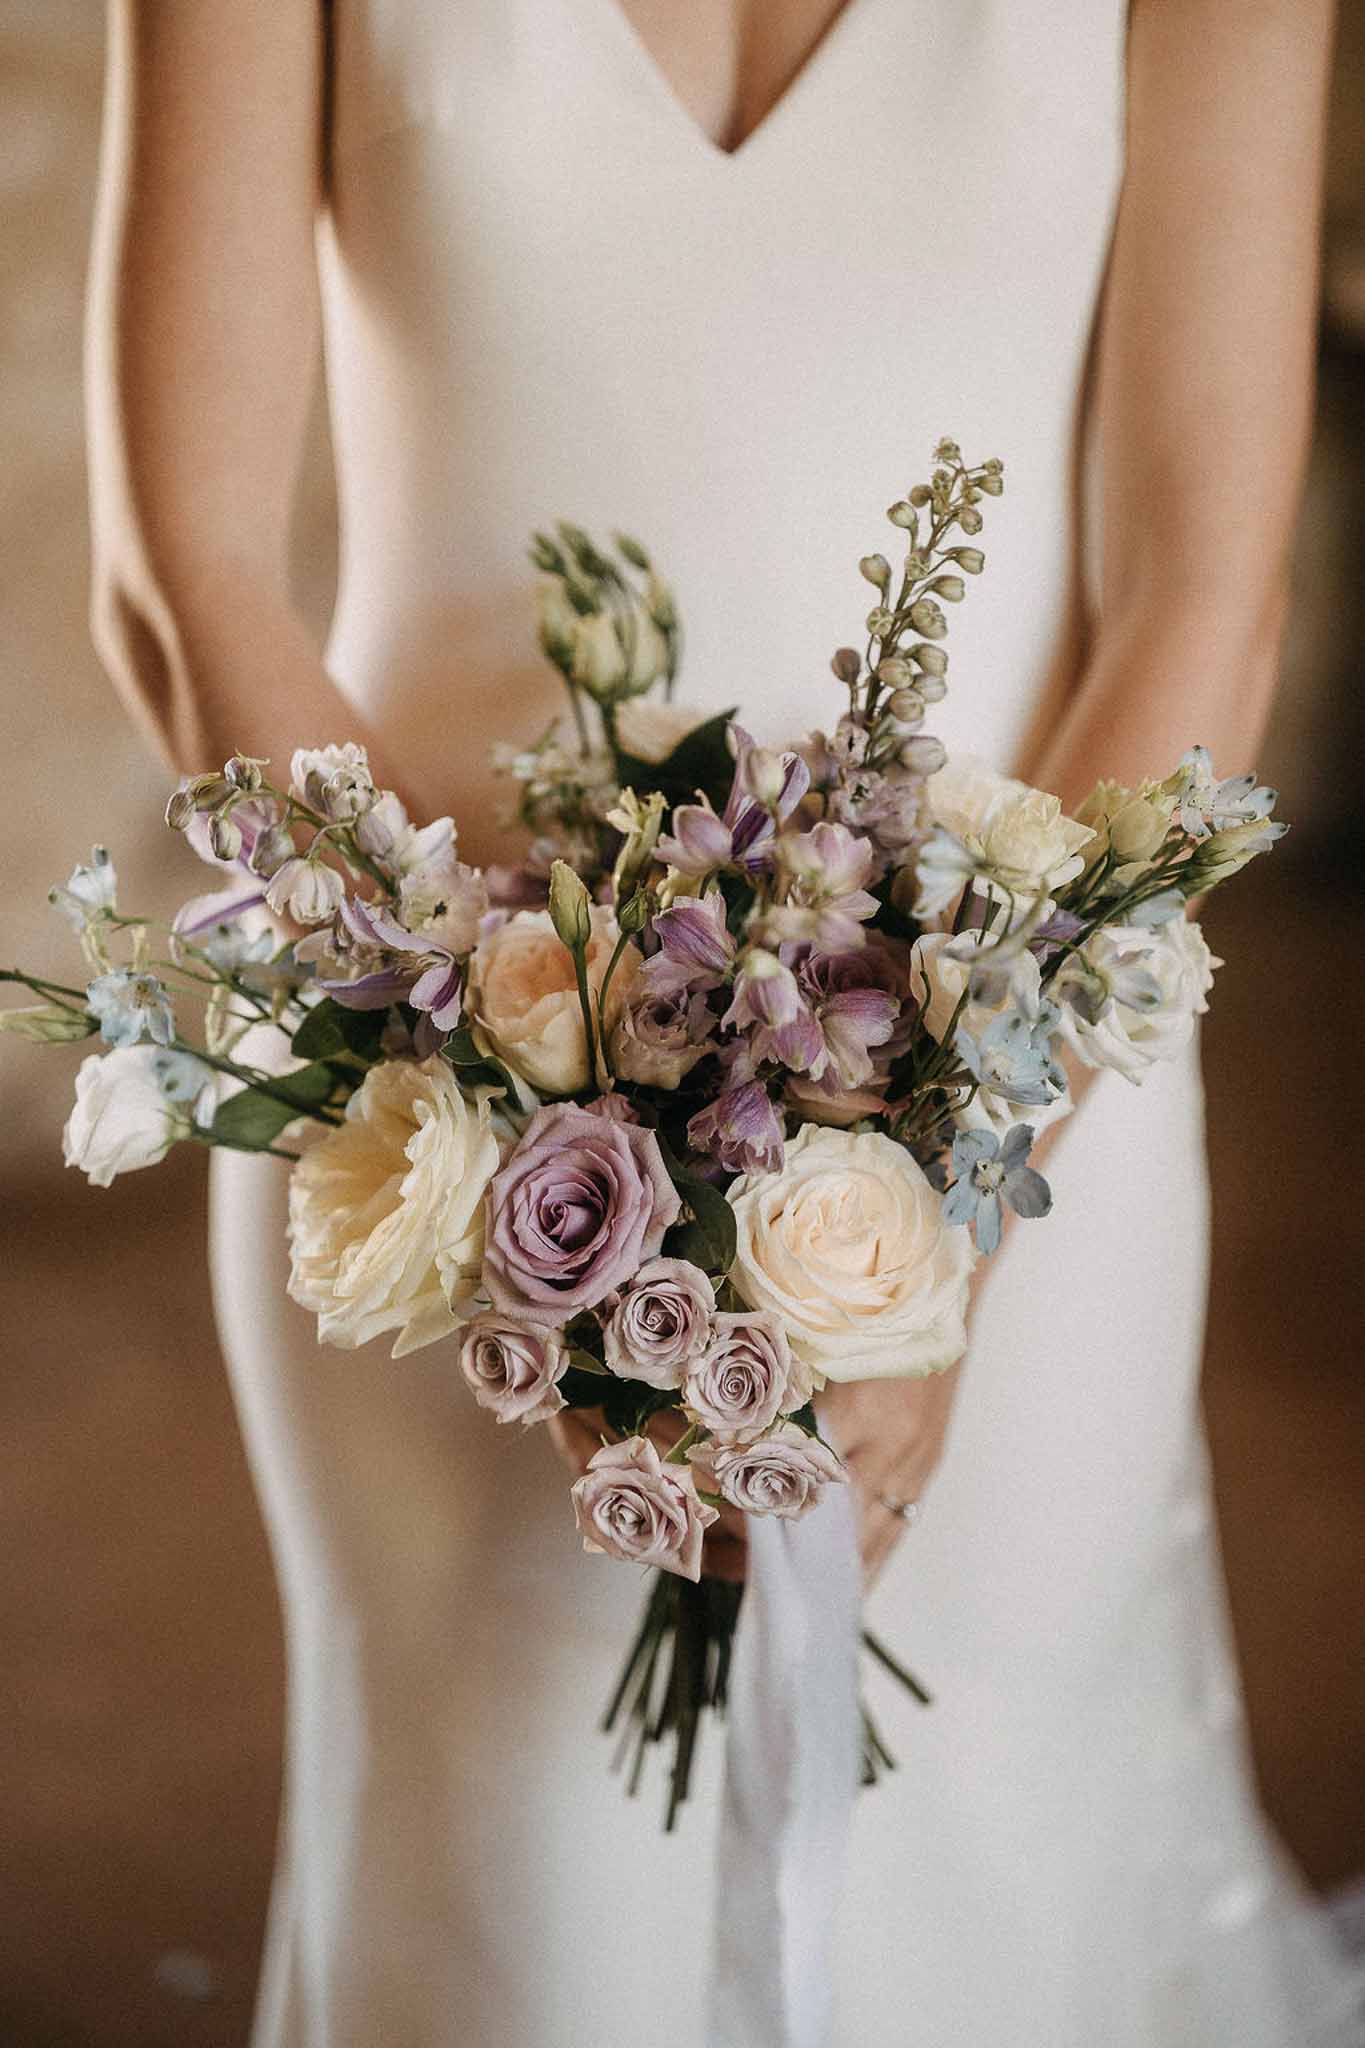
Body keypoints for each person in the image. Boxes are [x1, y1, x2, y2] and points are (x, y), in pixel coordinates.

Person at [86, 3, 1359, 2042]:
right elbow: (182, 571)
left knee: (990, 1900)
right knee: (517, 1917)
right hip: (428, 1149)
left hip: (1030, 1133)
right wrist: (507, 1136)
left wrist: (934, 1201)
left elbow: (1200, 589)